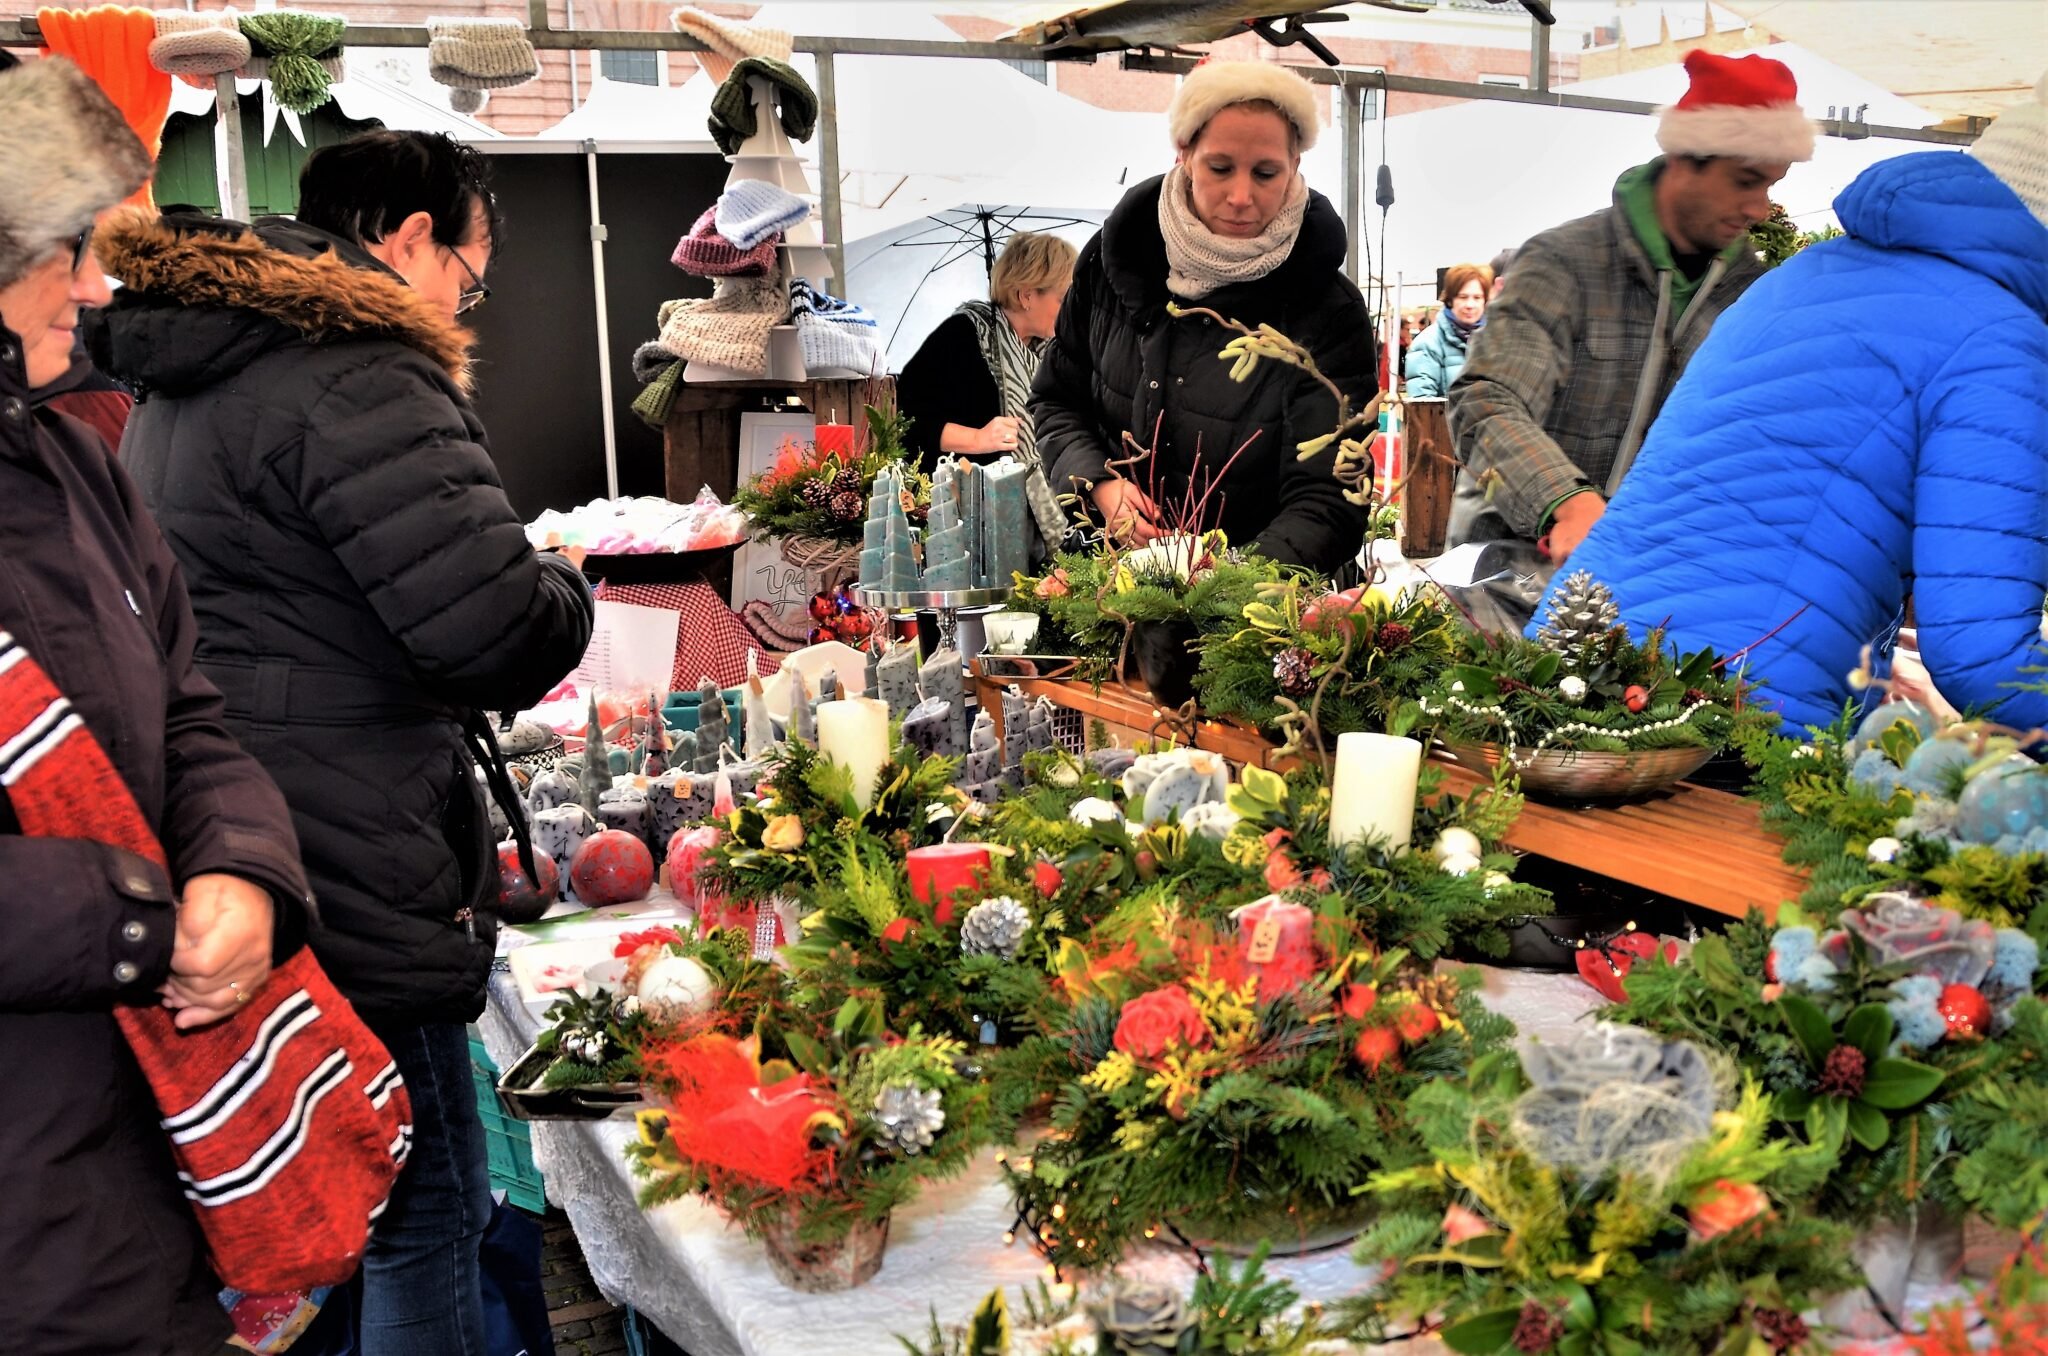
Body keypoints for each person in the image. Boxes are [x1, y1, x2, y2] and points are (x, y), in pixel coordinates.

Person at [92, 130, 595, 1355]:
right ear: (413, 238)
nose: (459, 310)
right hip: (350, 840)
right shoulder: (356, 363)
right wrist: (561, 581)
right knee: (422, 1203)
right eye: (467, 280)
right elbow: (491, 630)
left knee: (327, 1221)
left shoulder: (203, 359)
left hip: (248, 825)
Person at [0, 55, 312, 1354]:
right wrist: (131, 916)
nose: (92, 284)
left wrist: (244, 872)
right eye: (68, 246)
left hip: (141, 1202)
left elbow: (189, 714)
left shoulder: (76, 463)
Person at [1533, 75, 2048, 736]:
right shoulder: (2002, 337)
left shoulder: (1805, 276)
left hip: (1572, 656)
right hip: (1731, 709)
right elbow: (1986, 659)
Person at [1446, 49, 1814, 568]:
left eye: (1771, 186)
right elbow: (1487, 399)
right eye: (1746, 181)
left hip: (1654, 576)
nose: (1759, 209)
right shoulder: (1565, 262)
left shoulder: (1749, 295)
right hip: (1513, 564)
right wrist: (1567, 502)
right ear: (1687, 158)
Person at [1033, 59, 1374, 574]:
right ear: (1184, 154)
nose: (1241, 197)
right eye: (1220, 167)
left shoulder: (1328, 312)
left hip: (1260, 621)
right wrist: (1099, 486)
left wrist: (1229, 584)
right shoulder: (1109, 262)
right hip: (1107, 584)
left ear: (1296, 165)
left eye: (1266, 173)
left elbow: (1329, 497)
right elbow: (1057, 400)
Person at [897, 230, 1077, 471]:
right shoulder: (961, 335)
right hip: (963, 497)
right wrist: (977, 438)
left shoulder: (1051, 352)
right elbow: (905, 422)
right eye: (1063, 299)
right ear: (1026, 296)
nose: (1070, 311)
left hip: (1031, 499)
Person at [1404, 261, 1493, 398]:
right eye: (1463, 297)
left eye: (1477, 297)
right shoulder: (1427, 343)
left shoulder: (1497, 340)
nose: (1470, 305)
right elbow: (1422, 406)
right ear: (1450, 300)